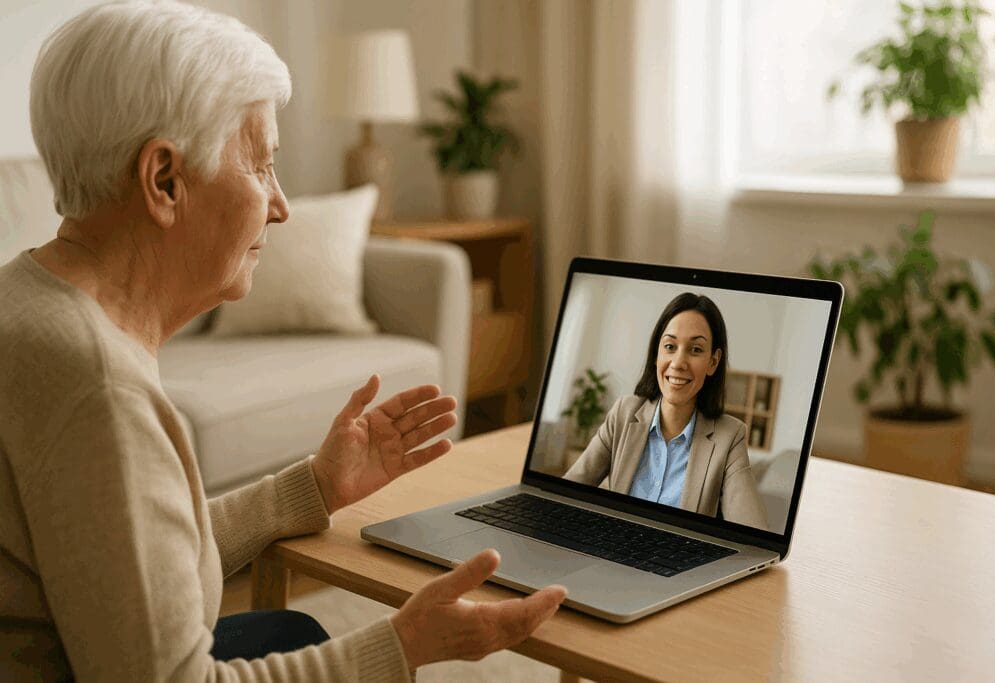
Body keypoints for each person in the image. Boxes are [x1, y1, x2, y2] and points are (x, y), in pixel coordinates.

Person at [0, 3, 565, 680]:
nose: (281, 204)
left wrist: (314, 487)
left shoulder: (28, 298)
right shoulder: (99, 388)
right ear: (164, 181)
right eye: (262, 165)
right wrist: (405, 644)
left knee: (291, 627)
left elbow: (125, 550)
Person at [564, 293, 768, 529]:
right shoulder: (624, 413)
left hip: (679, 562)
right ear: (657, 353)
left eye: (695, 350)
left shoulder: (730, 436)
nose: (678, 362)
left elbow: (753, 535)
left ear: (713, 362)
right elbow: (566, 493)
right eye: (670, 346)